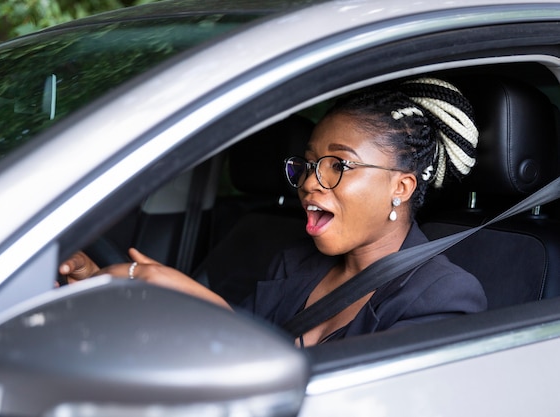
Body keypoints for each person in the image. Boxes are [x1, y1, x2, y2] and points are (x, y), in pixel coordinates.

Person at [59, 77, 487, 347]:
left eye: (338, 165)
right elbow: (221, 349)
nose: (308, 182)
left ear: (401, 186)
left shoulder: (443, 297)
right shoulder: (296, 261)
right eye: (308, 164)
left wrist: (182, 292)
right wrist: (115, 289)